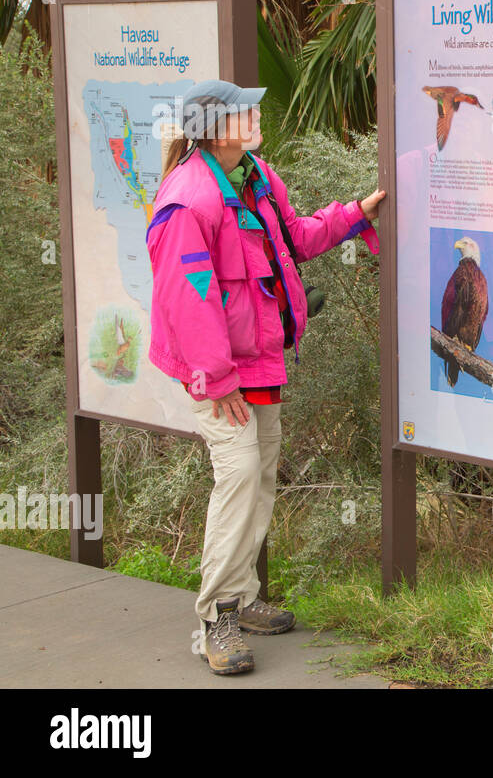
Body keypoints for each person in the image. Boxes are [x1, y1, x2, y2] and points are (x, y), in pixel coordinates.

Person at [145, 79, 385, 675]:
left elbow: (293, 239)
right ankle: (216, 620)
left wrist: (354, 215)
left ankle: (244, 597)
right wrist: (217, 379)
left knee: (261, 477)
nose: (254, 116)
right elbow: (188, 297)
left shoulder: (254, 176)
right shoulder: (190, 197)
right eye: (242, 111)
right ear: (213, 128)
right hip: (220, 375)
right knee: (239, 477)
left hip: (259, 362)